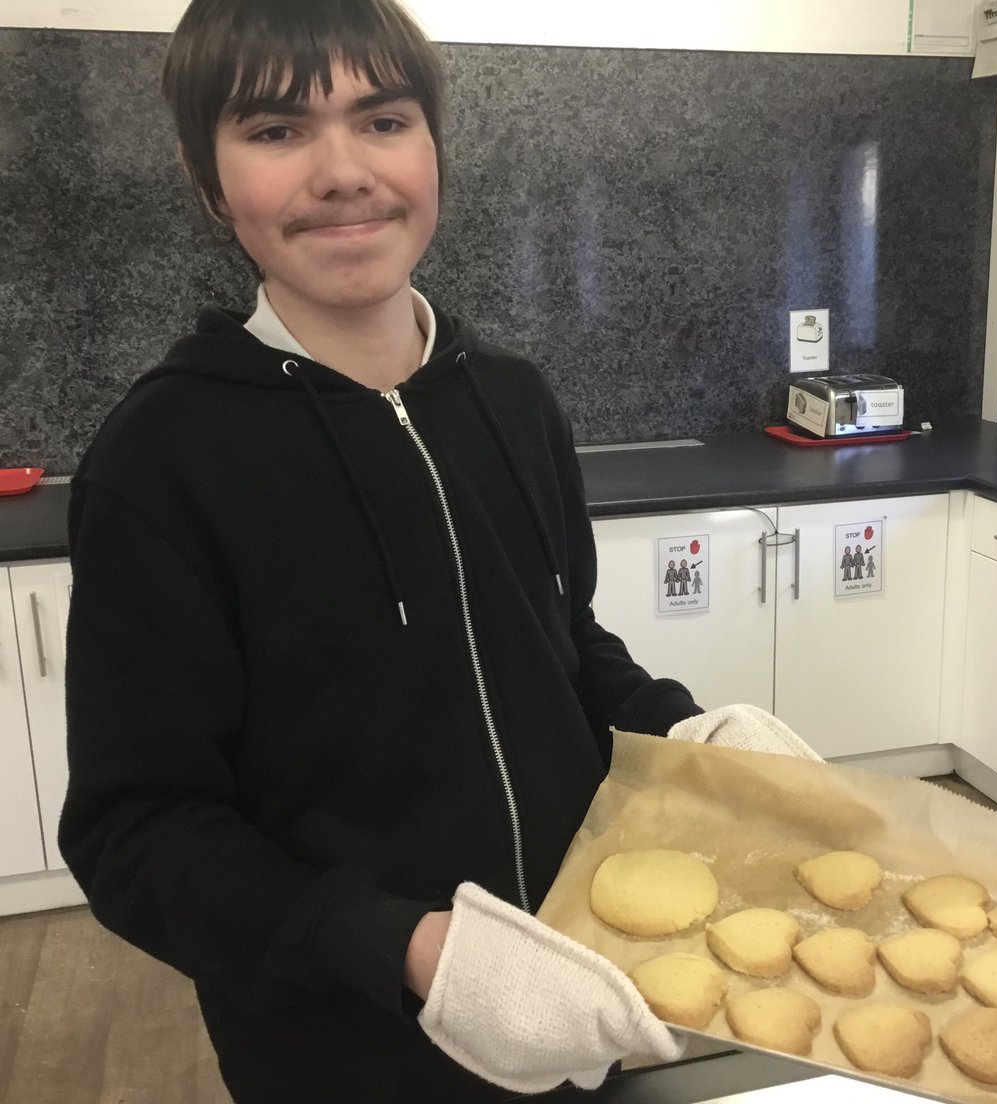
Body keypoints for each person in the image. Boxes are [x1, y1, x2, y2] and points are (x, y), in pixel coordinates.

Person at [57, 2, 709, 1100]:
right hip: (345, 1048)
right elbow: (137, 828)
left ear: (433, 146)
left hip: (590, 987)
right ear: (208, 180)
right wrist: (407, 947)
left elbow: (561, 643)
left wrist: (686, 734)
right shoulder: (163, 459)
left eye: (384, 120)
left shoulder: (514, 399)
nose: (343, 171)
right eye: (276, 132)